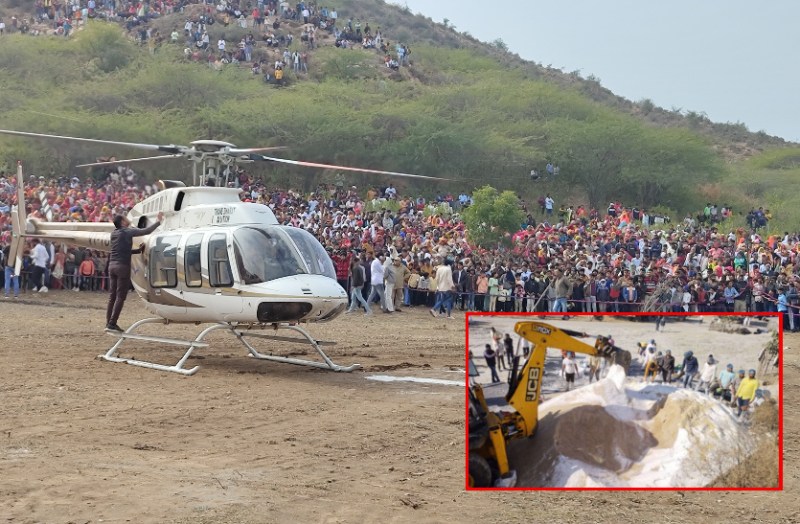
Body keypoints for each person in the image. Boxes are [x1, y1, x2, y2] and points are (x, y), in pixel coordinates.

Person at [106, 212, 163, 331]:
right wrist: (158, 221)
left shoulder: (113, 234)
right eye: (125, 218)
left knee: (112, 296)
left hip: (112, 266)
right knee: (120, 296)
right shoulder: (127, 232)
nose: (128, 219)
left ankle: (108, 323)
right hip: (122, 267)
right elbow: (146, 231)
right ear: (122, 222)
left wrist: (138, 250)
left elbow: (122, 251)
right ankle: (112, 323)